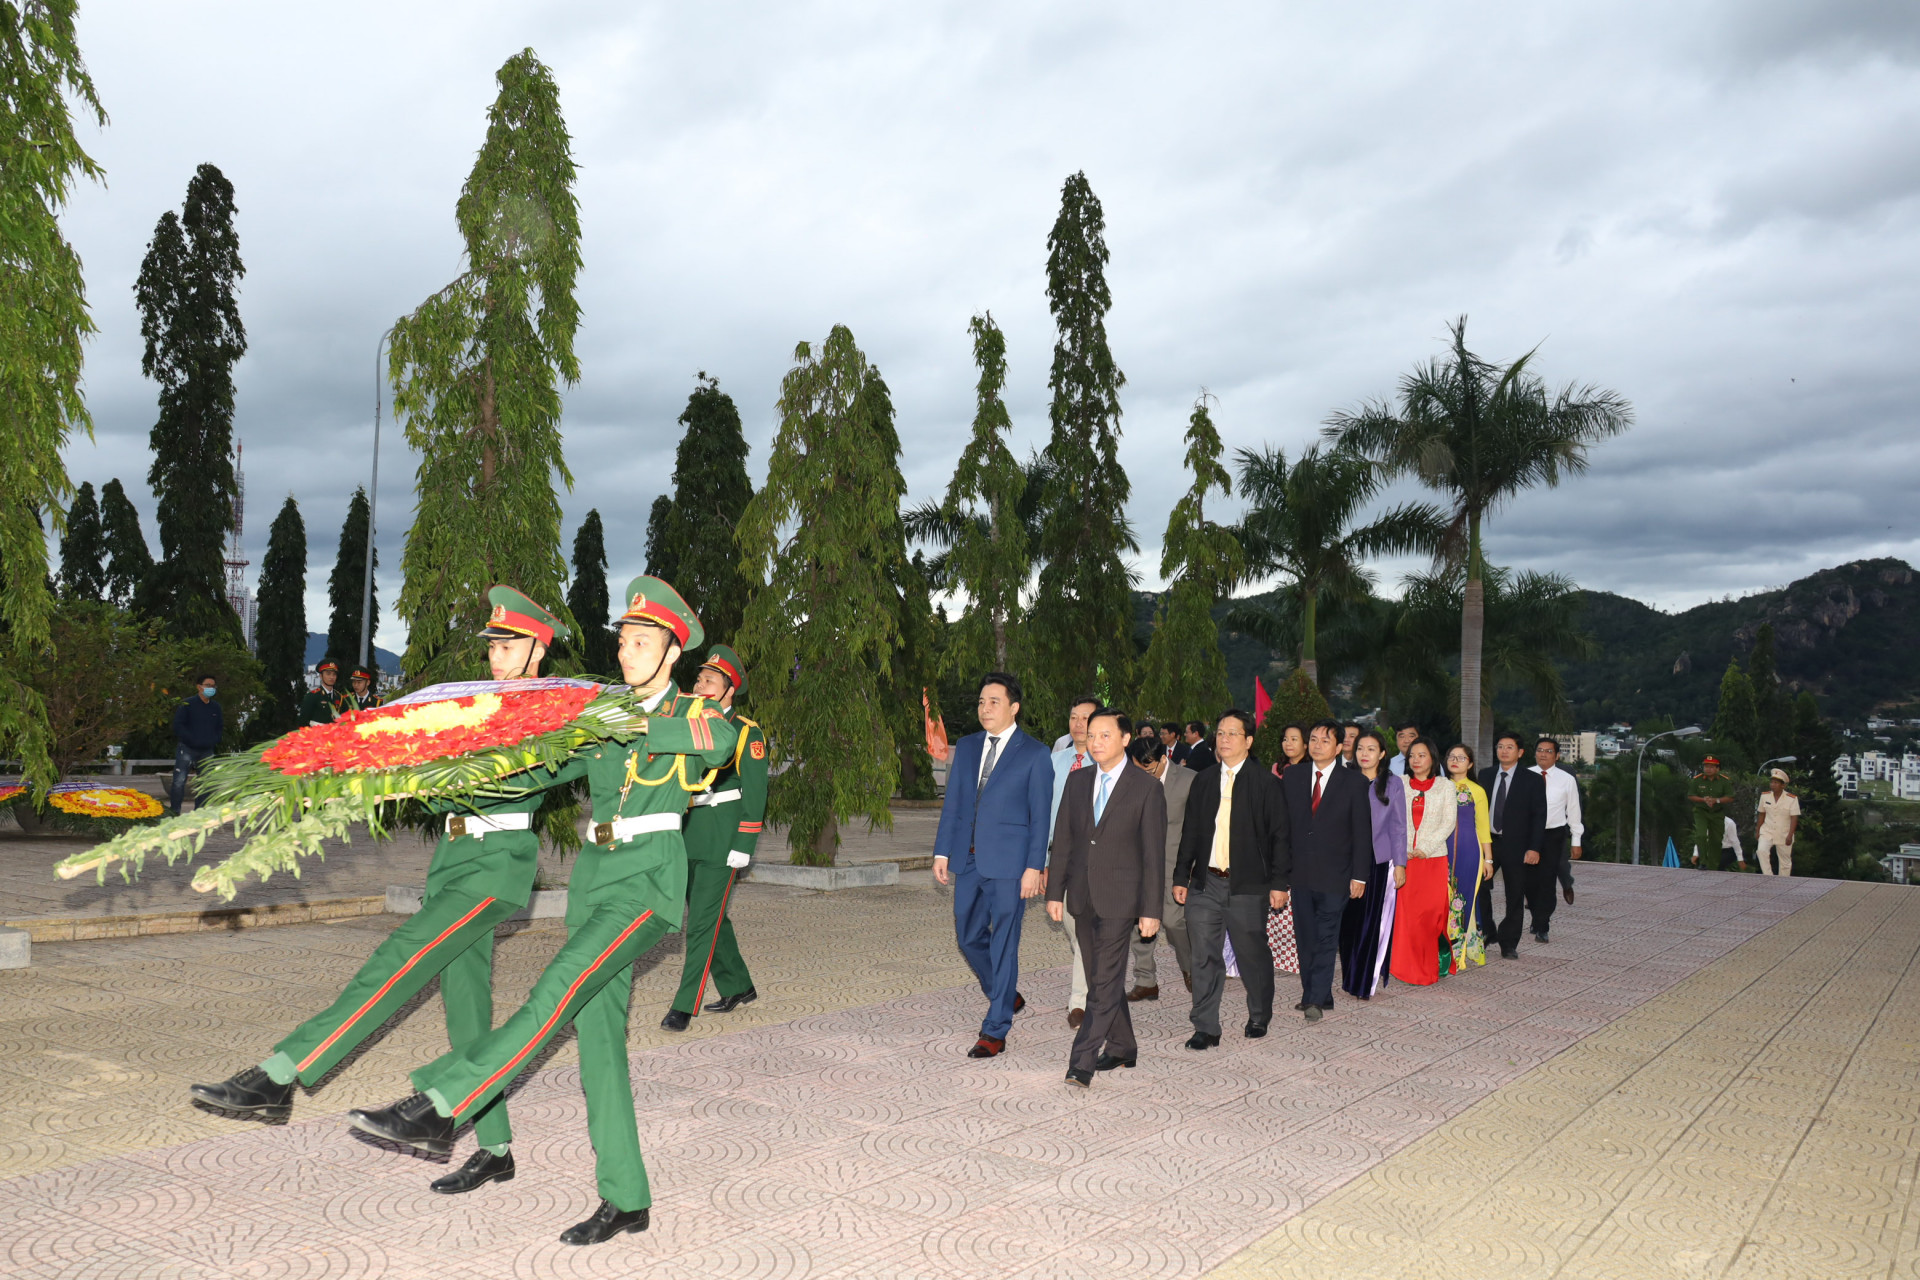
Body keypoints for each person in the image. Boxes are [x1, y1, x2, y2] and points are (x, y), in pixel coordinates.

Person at [345, 576, 738, 1246]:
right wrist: (447, 772)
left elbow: (716, 740)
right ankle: (627, 1197)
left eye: (643, 642)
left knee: (553, 990)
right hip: (595, 878)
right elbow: (536, 771)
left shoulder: (686, 713)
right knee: (599, 1049)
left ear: (673, 653)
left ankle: (441, 1104)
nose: (628, 653)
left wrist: (631, 718)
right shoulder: (601, 716)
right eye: (624, 640)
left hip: (648, 879)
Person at [189, 587, 569, 1198]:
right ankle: (494, 1149)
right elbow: (441, 786)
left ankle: (279, 1075)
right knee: (468, 1013)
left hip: (496, 866)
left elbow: (554, 771)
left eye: (509, 646)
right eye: (493, 646)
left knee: (396, 962)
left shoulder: (550, 715)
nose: (496, 657)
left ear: (536, 651)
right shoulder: (467, 706)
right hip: (453, 860)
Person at [933, 672, 1054, 1058]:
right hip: (966, 861)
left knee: (1004, 943)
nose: (985, 708)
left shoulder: (1035, 753)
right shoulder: (967, 747)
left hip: (1009, 866)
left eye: (994, 702)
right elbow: (954, 802)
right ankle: (1004, 991)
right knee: (968, 937)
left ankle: (995, 1027)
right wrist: (942, 852)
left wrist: (1035, 866)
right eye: (982, 702)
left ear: (1013, 707)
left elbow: (1040, 816)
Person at [1047, 708, 1166, 1087]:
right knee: (1106, 978)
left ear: (1125, 739)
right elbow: (1064, 841)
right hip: (1081, 896)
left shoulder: (1147, 788)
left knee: (1102, 981)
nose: (1095, 742)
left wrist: (1151, 909)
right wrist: (1055, 894)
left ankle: (1081, 1062)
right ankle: (1123, 1046)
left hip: (1121, 900)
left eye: (1104, 735)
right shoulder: (1078, 781)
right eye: (1092, 734)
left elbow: (1153, 855)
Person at [661, 644, 766, 1032]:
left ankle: (683, 1006)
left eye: (710, 681)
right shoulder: (686, 725)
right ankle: (739, 985)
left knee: (701, 923)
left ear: (728, 690)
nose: (700, 685)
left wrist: (745, 844)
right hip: (687, 831)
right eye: (699, 678)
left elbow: (756, 793)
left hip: (723, 836)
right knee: (711, 915)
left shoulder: (744, 731)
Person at [1172, 709, 1288, 1047]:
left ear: (1249, 741)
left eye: (1232, 733)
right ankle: (1206, 1026)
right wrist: (1181, 875)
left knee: (1251, 953)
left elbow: (1281, 836)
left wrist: (1280, 883)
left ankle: (1259, 1013)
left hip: (1248, 886)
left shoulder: (1266, 783)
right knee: (1204, 955)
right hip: (1205, 883)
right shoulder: (1204, 780)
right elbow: (1191, 831)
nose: (1223, 739)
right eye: (1220, 733)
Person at [1278, 720, 1371, 1020]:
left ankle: (1314, 998)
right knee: (1305, 937)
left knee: (1326, 936)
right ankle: (1319, 993)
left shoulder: (1355, 782)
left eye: (1325, 740)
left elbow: (1362, 832)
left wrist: (1360, 875)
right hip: (1300, 873)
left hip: (1337, 875)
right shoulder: (1293, 776)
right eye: (1313, 739)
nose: (1318, 745)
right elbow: (1282, 827)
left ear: (1340, 746)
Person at [1126, 737, 1195, 998]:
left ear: (1163, 759)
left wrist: (1191, 867)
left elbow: (1198, 827)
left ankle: (1191, 969)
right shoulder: (1131, 780)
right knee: (1137, 924)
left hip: (1173, 864)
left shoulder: (1189, 780)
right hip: (1138, 862)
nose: (1143, 776)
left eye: (1148, 770)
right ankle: (1145, 981)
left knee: (1173, 921)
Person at [1340, 729, 1405, 1000]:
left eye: (1370, 749)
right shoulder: (1343, 780)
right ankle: (1348, 974)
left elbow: (1399, 826)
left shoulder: (1393, 784)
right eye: (1360, 749)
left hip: (1378, 861)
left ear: (1382, 753)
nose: (1364, 754)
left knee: (1370, 923)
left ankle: (1362, 980)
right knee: (1346, 924)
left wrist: (1400, 864)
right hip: (1343, 860)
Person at [1049, 696, 1102, 1029]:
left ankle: (1080, 1002)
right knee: (1072, 928)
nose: (1079, 723)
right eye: (1074, 717)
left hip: (1091, 859)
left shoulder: (1107, 765)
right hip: (1058, 856)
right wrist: (1041, 862)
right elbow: (1042, 813)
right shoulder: (1054, 761)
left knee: (1084, 929)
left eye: (1086, 718)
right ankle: (1099, 978)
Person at [1388, 739, 1457, 986]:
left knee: (1431, 915)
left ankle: (1429, 966)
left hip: (1433, 860)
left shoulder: (1446, 787)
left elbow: (1448, 822)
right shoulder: (1399, 784)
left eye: (1422, 755)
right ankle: (1404, 966)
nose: (1416, 760)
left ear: (1432, 758)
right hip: (1404, 860)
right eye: (1412, 756)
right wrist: (1405, 848)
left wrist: (1425, 849)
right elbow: (1393, 818)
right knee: (1407, 917)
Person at [1478, 732, 1548, 959]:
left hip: (1517, 846)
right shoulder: (1485, 775)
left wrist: (1534, 848)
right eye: (1500, 746)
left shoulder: (1533, 780)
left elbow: (1539, 817)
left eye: (1509, 747)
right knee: (1479, 888)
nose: (1504, 751)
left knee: (1515, 895)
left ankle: (1508, 943)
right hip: (1487, 843)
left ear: (1520, 752)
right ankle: (1487, 931)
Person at [1444, 744, 1493, 969]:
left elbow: (1483, 828)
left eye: (1461, 758)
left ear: (1470, 764)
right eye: (1452, 757)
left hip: (1469, 851)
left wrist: (1489, 859)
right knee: (1443, 898)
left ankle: (1460, 952)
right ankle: (1442, 948)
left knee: (1463, 899)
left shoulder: (1477, 790)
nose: (1455, 761)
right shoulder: (1439, 786)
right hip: (1440, 851)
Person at [1530, 738, 1583, 940]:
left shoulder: (1566, 779)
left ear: (1557, 755)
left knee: (1547, 880)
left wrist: (1576, 841)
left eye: (1548, 751)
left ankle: (1543, 925)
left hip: (1553, 835)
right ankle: (1536, 916)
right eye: (1540, 750)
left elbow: (1574, 811)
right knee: (1530, 881)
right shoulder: (1525, 775)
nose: (1543, 754)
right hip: (1527, 835)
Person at [167, 675, 222, 817]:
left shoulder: (216, 707)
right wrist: (191, 740)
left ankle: (199, 814)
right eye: (208, 685)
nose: (211, 688)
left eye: (213, 686)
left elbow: (219, 728)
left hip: (207, 751)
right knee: (179, 782)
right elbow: (178, 726)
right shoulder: (187, 704)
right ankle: (174, 812)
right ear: (199, 686)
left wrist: (214, 740)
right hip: (187, 748)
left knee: (205, 783)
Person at [1688, 757, 1736, 870]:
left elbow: (1730, 797)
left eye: (1711, 767)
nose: (1708, 769)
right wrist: (1703, 799)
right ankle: (1703, 862)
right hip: (1701, 812)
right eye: (1706, 766)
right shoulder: (1697, 780)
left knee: (1716, 839)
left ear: (1717, 768)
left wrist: (1716, 800)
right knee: (1701, 835)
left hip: (1717, 813)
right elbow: (1691, 795)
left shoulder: (1724, 781)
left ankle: (1713, 866)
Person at [1754, 768, 1800, 876]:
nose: (1773, 785)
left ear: (1782, 785)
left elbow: (1794, 818)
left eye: (1776, 783)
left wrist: (1790, 835)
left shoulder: (1792, 799)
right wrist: (1758, 830)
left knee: (1785, 861)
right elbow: (1762, 814)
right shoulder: (1764, 796)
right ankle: (1768, 876)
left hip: (1783, 832)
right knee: (1761, 851)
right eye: (1772, 782)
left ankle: (1783, 881)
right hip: (1767, 830)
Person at [299, 660, 344, 725]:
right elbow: (303, 722)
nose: (331, 677)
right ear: (321, 676)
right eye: (328, 674)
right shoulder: (312, 696)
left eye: (334, 674)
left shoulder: (340, 697)